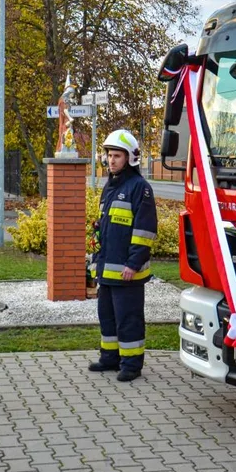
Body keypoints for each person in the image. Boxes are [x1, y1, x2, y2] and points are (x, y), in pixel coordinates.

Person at [88, 130, 157, 382]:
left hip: (128, 272)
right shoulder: (110, 186)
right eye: (109, 155)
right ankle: (110, 358)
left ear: (131, 158)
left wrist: (133, 264)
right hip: (107, 269)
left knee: (128, 320)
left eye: (117, 155)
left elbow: (144, 231)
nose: (111, 160)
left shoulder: (140, 188)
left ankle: (131, 365)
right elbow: (103, 228)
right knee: (107, 317)